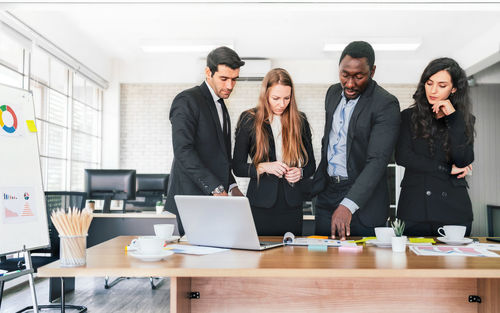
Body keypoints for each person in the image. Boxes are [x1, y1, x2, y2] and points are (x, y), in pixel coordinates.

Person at [312, 41, 401, 240]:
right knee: (321, 263)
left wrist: (348, 204)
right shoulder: (332, 93)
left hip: (362, 202)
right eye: (345, 75)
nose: (350, 84)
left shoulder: (385, 103)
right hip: (328, 196)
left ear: (373, 71)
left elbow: (377, 161)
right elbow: (329, 142)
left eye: (359, 76)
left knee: (359, 267)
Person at [165, 46, 245, 236]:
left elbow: (220, 156)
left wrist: (233, 187)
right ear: (208, 72)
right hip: (193, 198)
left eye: (234, 79)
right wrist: (216, 188)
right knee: (197, 260)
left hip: (215, 200)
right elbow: (183, 150)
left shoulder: (221, 105)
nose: (230, 86)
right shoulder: (187, 100)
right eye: (224, 79)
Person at [396, 57, 475, 236]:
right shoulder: (408, 117)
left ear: (454, 89)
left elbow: (463, 159)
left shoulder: (462, 119)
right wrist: (445, 168)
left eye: (442, 85)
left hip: (453, 209)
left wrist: (453, 119)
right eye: (429, 83)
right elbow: (403, 156)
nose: (433, 90)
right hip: (415, 208)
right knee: (413, 262)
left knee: (455, 263)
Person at [232, 68, 315, 236]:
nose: (282, 104)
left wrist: (300, 172)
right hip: (260, 205)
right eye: (275, 98)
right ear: (265, 95)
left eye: (287, 98)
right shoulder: (249, 119)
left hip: (292, 206)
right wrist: (262, 167)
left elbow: (311, 165)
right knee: (260, 258)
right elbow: (237, 167)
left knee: (292, 258)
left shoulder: (300, 120)